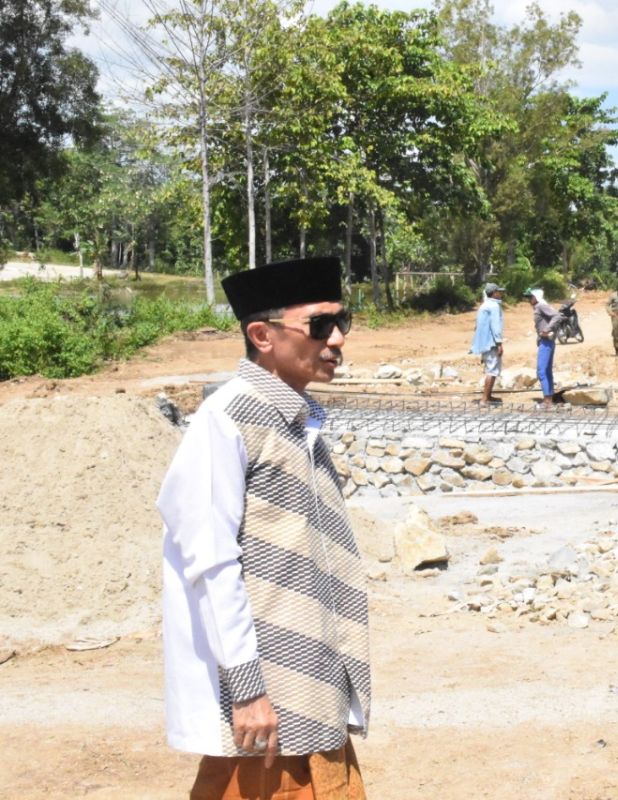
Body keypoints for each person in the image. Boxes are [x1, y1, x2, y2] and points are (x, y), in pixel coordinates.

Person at [159, 256, 371, 800]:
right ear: (262, 334)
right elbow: (210, 562)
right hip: (267, 702)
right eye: (320, 326)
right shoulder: (226, 421)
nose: (338, 339)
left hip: (312, 686)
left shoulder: (294, 419)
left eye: (342, 322)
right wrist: (248, 691)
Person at [524, 287, 560, 409]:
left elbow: (557, 316)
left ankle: (547, 401)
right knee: (547, 371)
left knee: (541, 371)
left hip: (546, 341)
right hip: (546, 341)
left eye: (530, 297)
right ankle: (549, 398)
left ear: (536, 297)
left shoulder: (541, 306)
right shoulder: (539, 306)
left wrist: (546, 330)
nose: (528, 300)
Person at [470, 282, 505, 405]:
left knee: (491, 368)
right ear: (494, 293)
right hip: (491, 343)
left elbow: (478, 327)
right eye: (499, 292)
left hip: (484, 343)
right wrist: (499, 343)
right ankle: (485, 399)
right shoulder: (494, 306)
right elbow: (495, 326)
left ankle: (488, 396)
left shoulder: (484, 305)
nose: (500, 294)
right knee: (492, 370)